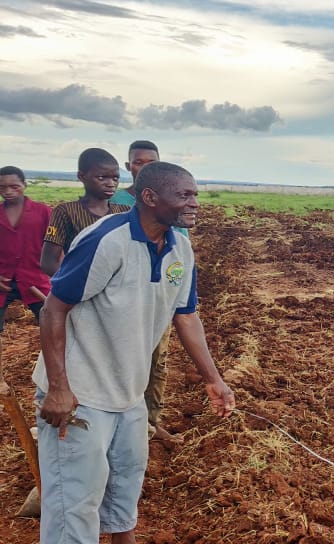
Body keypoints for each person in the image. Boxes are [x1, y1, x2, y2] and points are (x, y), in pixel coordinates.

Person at [33, 161, 236, 543]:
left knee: (124, 497)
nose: (195, 203)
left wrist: (214, 379)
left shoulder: (180, 249)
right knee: (74, 507)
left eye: (195, 194)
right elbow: (52, 310)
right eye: (185, 195)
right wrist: (59, 388)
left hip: (129, 394)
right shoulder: (107, 240)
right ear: (149, 197)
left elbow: (187, 316)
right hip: (81, 396)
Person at [111, 140, 185, 444]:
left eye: (151, 162)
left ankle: (151, 423)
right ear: (129, 167)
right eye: (138, 162)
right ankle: (119, 419)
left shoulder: (170, 202)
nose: (144, 167)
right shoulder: (113, 200)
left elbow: (178, 248)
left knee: (157, 361)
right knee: (118, 358)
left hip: (156, 297)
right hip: (118, 297)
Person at [1, 165, 52, 394]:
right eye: (3, 187)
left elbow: (56, 246)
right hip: (2, 281)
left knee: (55, 326)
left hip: (36, 280)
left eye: (14, 186)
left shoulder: (43, 212)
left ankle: (55, 376)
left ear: (24, 185)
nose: (8, 191)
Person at [41, 148, 131, 277]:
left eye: (115, 178)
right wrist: (73, 284)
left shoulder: (124, 212)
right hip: (79, 288)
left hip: (115, 290)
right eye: (101, 178)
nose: (111, 184)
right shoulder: (66, 211)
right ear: (82, 176)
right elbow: (49, 262)